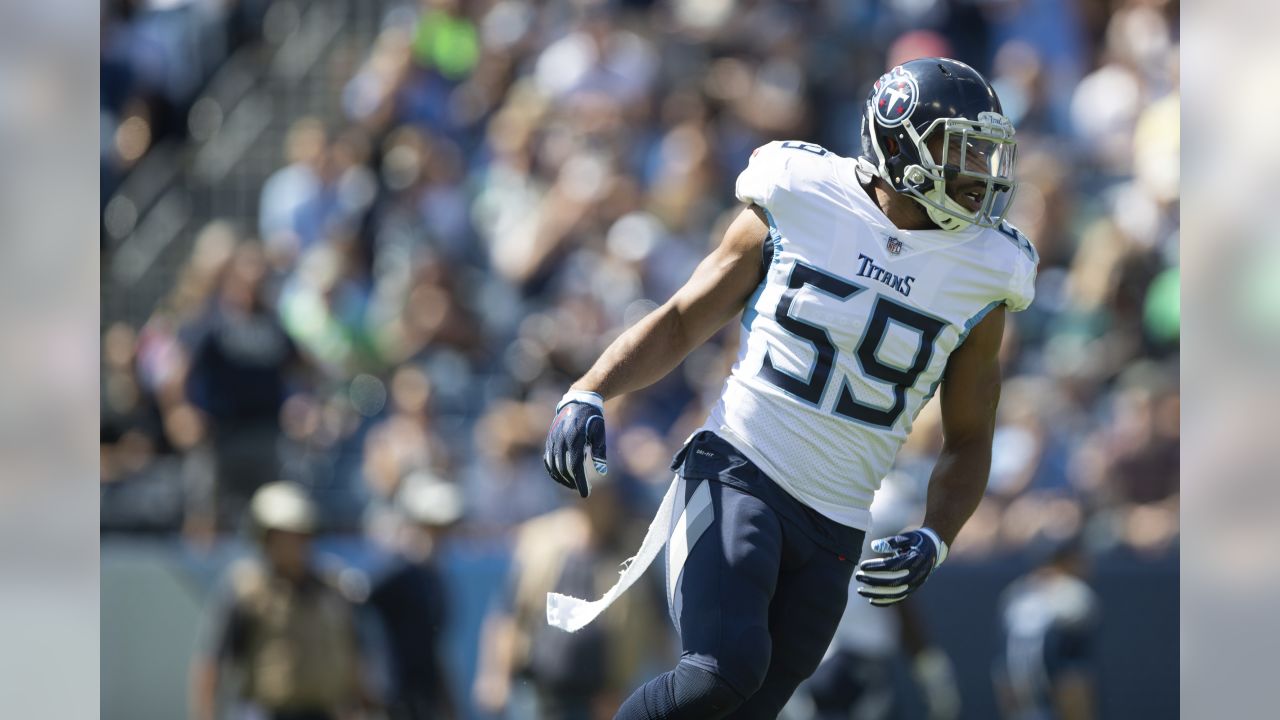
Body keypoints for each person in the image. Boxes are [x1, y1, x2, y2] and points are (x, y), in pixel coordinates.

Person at [541, 57, 1038, 719]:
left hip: (839, 522)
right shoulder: (802, 193)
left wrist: (937, 534)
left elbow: (971, 434)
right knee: (719, 674)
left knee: (749, 709)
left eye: (985, 154)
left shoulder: (986, 270)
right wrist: (591, 387)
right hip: (741, 470)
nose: (980, 172)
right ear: (903, 143)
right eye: (963, 149)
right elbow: (687, 315)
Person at [190, 481, 371, 720]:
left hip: (326, 712)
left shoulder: (331, 587)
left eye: (299, 535)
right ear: (264, 538)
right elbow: (213, 661)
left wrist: (361, 704)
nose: (293, 544)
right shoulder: (247, 589)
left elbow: (352, 653)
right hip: (268, 711)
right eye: (282, 536)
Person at [363, 472, 462, 720]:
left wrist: (446, 697)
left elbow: (433, 645)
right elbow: (357, 618)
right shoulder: (395, 572)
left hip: (422, 695)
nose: (439, 535)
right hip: (392, 694)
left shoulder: (433, 576)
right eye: (432, 527)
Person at [993, 537, 1099, 720]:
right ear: (1068, 560)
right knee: (1075, 672)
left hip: (1013, 685)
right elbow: (1073, 666)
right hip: (1059, 680)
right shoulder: (1075, 591)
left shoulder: (1016, 590)